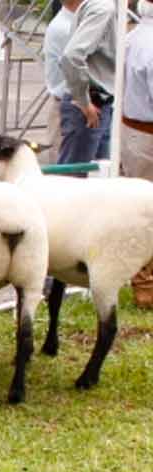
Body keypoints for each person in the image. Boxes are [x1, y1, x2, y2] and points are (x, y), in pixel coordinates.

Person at [58, 0, 117, 167]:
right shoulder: (102, 7)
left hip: (96, 102)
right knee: (73, 180)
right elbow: (71, 56)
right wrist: (84, 102)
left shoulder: (97, 6)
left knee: (97, 177)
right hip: (90, 105)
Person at [123, 0, 153, 307]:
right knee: (146, 213)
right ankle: (145, 287)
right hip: (147, 134)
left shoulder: (134, 37)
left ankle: (143, 281)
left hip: (134, 130)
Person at [43, 4, 75, 161]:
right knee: (63, 171)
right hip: (69, 105)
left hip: (73, 103)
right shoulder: (65, 28)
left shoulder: (75, 23)